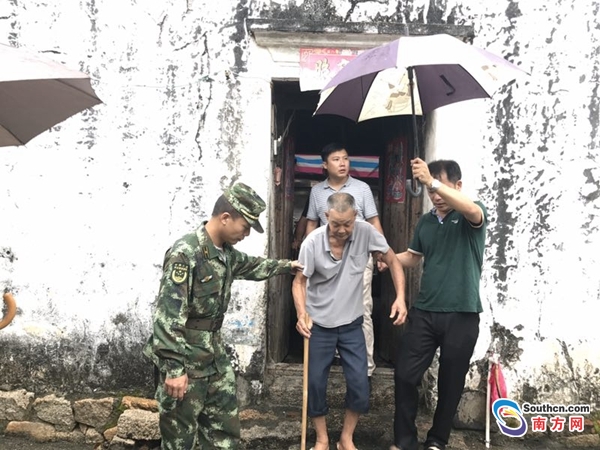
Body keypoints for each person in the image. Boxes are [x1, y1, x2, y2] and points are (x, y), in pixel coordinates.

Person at [143, 182, 302, 450]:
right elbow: (168, 315)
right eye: (245, 226)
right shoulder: (186, 253)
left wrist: (289, 266)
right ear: (226, 217)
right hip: (186, 357)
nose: (247, 233)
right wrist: (174, 369)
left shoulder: (226, 253)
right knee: (180, 437)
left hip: (214, 356)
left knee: (224, 432)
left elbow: (253, 265)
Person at [294, 192, 407, 450]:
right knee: (315, 383)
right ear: (326, 217)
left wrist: (400, 297)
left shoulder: (366, 232)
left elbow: (392, 259)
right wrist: (301, 314)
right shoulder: (312, 243)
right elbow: (299, 282)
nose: (342, 230)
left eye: (347, 224)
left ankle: (346, 438)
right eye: (336, 224)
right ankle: (322, 439)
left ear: (356, 216)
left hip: (352, 325)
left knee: (359, 383)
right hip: (318, 326)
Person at [390, 158, 488, 450]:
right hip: (425, 312)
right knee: (405, 374)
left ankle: (437, 441)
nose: (434, 195)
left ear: (458, 186)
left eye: (440, 187)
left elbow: (471, 210)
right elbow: (412, 256)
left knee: (450, 382)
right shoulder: (426, 221)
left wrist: (430, 181)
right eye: (430, 190)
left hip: (462, 313)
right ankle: (405, 442)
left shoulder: (471, 213)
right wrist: (387, 258)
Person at [304, 142, 384, 380]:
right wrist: (307, 255)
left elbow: (373, 221)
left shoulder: (362, 189)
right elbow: (311, 223)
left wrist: (380, 253)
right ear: (324, 165)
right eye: (336, 159)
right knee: (324, 309)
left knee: (362, 309)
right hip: (325, 259)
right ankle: (328, 361)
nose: (342, 163)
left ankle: (366, 367)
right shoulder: (317, 192)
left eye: (346, 158)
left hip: (357, 256)